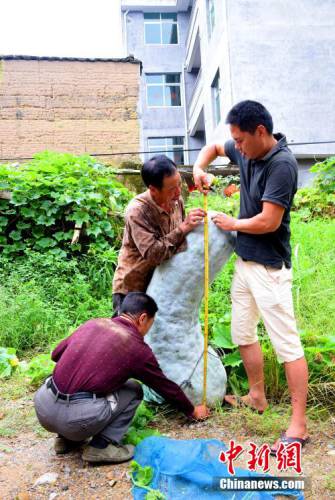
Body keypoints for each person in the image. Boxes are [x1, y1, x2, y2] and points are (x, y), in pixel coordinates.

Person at [193, 100, 309, 453]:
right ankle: (256, 396)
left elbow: (269, 221)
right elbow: (213, 148)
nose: (236, 148)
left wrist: (233, 224)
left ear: (261, 132)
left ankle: (299, 426)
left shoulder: (283, 165)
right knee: (243, 332)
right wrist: (200, 168)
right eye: (235, 141)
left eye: (241, 141)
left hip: (270, 268)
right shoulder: (245, 150)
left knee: (286, 344)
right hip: (245, 263)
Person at [34, 292, 209, 464]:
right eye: (150, 323)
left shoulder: (93, 323)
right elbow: (164, 386)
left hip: (43, 409)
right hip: (78, 421)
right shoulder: (136, 347)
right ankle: (101, 446)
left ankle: (65, 440)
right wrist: (192, 411)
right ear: (142, 318)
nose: (148, 330)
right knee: (133, 389)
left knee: (70, 382)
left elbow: (56, 354)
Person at [112, 155, 205, 314]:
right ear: (153, 189)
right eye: (171, 189)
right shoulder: (137, 211)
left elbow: (179, 240)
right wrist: (183, 228)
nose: (178, 192)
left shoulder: (177, 201)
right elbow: (154, 254)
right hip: (134, 287)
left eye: (179, 184)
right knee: (129, 335)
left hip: (163, 281)